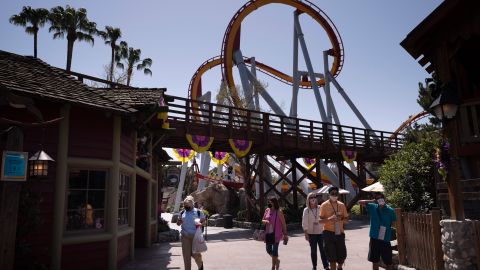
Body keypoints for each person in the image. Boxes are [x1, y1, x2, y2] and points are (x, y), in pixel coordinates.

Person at [358, 192, 397, 270]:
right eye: (378, 199)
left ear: (384, 199)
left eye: (381, 198)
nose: (380, 200)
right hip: (374, 238)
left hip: (385, 239)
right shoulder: (372, 207)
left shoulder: (390, 210)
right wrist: (372, 201)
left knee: (388, 261)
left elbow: (393, 223)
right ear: (375, 200)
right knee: (375, 261)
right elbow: (359, 202)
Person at [320, 186, 348, 270]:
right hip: (328, 233)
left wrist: (342, 219)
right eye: (332, 194)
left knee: (342, 256)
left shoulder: (341, 205)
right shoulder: (324, 205)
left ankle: (339, 267)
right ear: (329, 194)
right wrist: (329, 219)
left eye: (336, 194)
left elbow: (346, 219)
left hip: (339, 233)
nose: (334, 195)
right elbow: (320, 221)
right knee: (331, 258)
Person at [176, 196, 206, 270]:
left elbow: (204, 222)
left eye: (188, 205)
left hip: (195, 236)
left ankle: (200, 264)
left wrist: (200, 224)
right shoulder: (182, 212)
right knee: (186, 256)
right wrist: (179, 222)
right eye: (185, 205)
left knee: (196, 254)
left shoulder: (198, 212)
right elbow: (178, 223)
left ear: (192, 204)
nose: (186, 207)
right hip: (185, 236)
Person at [302, 192, 330, 270]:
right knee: (313, 251)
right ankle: (314, 266)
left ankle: (326, 266)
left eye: (314, 197)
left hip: (321, 232)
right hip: (311, 234)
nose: (313, 199)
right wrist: (306, 233)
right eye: (311, 197)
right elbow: (304, 222)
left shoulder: (320, 207)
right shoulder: (306, 210)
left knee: (323, 250)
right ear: (308, 199)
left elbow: (325, 218)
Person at [262, 197, 288, 270]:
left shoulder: (279, 211)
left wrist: (285, 233)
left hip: (276, 234)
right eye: (268, 202)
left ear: (274, 203)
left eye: (270, 202)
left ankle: (273, 267)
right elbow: (263, 219)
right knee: (268, 250)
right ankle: (277, 261)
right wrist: (265, 221)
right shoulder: (267, 210)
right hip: (268, 233)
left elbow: (283, 223)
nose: (269, 204)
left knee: (274, 251)